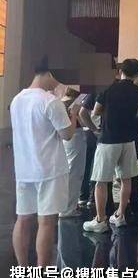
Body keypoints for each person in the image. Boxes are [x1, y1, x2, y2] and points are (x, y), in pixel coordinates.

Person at [11, 59, 79, 278]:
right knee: (47, 222)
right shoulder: (50, 101)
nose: (58, 84)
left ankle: (22, 275)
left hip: (24, 169)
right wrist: (74, 115)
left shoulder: (17, 99)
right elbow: (67, 134)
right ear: (48, 73)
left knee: (23, 219)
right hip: (49, 170)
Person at [83, 59, 138, 233]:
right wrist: (135, 111)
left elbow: (96, 111)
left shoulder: (108, 89)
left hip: (108, 139)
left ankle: (100, 220)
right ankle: (120, 215)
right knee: (126, 179)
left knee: (101, 180)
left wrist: (103, 120)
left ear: (121, 71)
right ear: (137, 73)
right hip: (128, 140)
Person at [59, 88, 87, 219]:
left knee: (70, 171)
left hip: (67, 139)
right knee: (75, 173)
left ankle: (67, 205)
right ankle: (68, 209)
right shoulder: (72, 103)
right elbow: (78, 120)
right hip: (74, 136)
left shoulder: (61, 102)